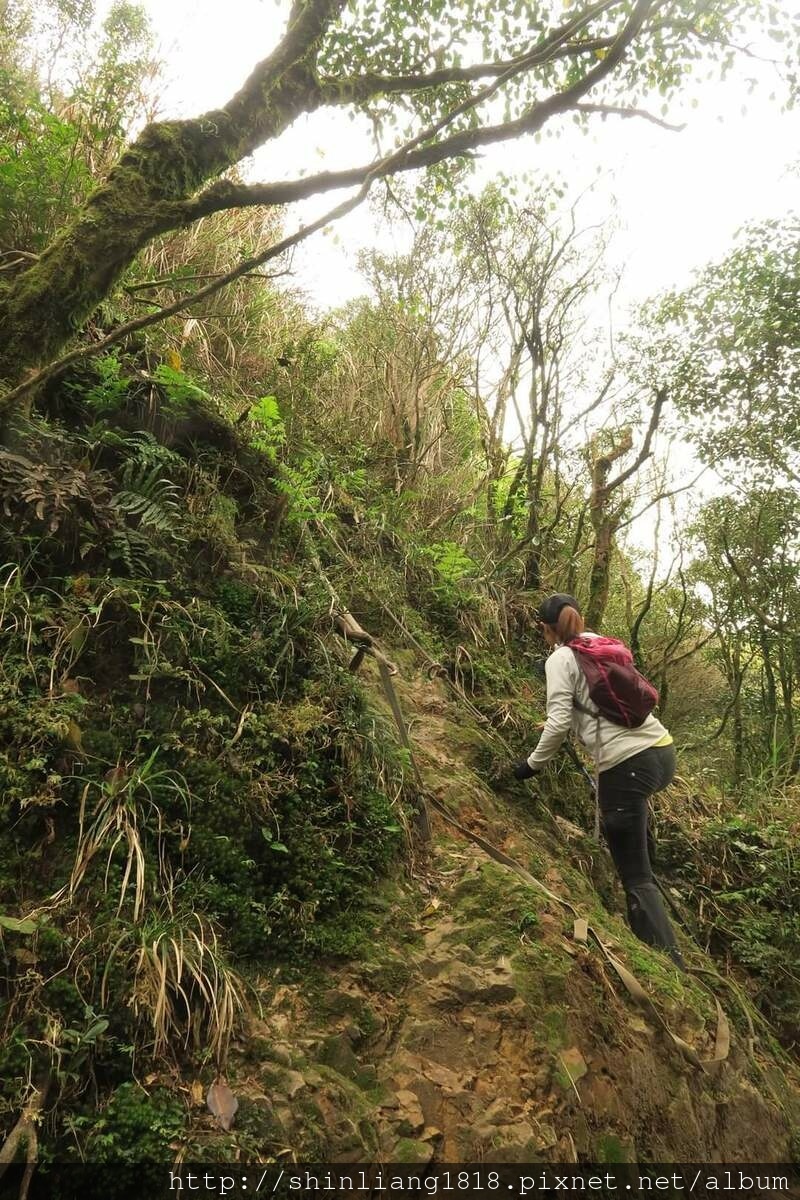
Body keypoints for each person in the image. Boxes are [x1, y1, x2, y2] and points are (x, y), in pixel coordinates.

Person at [513, 592, 685, 969]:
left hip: (626, 766)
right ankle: (645, 856)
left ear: (546, 629)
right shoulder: (597, 643)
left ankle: (668, 967)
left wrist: (530, 766)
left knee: (635, 876)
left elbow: (559, 722)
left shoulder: (560, 658)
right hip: (661, 751)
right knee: (633, 832)